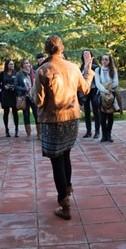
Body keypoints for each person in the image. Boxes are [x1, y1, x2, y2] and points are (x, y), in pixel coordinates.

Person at [34, 35, 94, 220]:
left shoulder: (43, 70)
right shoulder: (73, 67)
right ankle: (67, 190)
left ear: (46, 50)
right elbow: (85, 89)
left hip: (53, 120)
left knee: (56, 161)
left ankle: (64, 203)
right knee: (66, 154)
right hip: (71, 119)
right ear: (62, 48)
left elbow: (38, 101)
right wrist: (88, 71)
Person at [95, 53, 119, 143]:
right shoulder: (98, 70)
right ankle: (104, 135)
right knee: (102, 115)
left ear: (109, 61)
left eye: (106, 59)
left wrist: (109, 89)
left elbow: (116, 82)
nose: (104, 61)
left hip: (111, 94)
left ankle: (109, 134)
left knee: (110, 115)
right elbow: (97, 83)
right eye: (103, 59)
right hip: (101, 93)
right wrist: (104, 90)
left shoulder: (113, 70)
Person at [80, 50, 100, 139]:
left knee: (96, 111)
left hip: (94, 90)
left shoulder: (95, 67)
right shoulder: (81, 67)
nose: (85, 55)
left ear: (91, 56)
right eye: (84, 54)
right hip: (85, 91)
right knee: (87, 111)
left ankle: (97, 131)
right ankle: (88, 131)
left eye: (87, 54)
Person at [16, 58, 38, 140]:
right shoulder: (19, 74)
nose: (26, 65)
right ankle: (28, 134)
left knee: (36, 114)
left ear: (30, 64)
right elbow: (16, 85)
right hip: (24, 97)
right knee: (26, 115)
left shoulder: (34, 73)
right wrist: (24, 89)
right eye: (24, 63)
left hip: (33, 97)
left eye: (27, 63)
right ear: (22, 65)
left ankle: (39, 133)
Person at [0, 59, 19, 137]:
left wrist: (14, 87)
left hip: (13, 95)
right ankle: (6, 129)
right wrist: (4, 86)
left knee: (15, 112)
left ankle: (17, 129)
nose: (12, 65)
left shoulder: (16, 73)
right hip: (5, 95)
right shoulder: (2, 74)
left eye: (12, 64)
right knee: (6, 113)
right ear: (6, 65)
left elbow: (18, 83)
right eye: (10, 64)